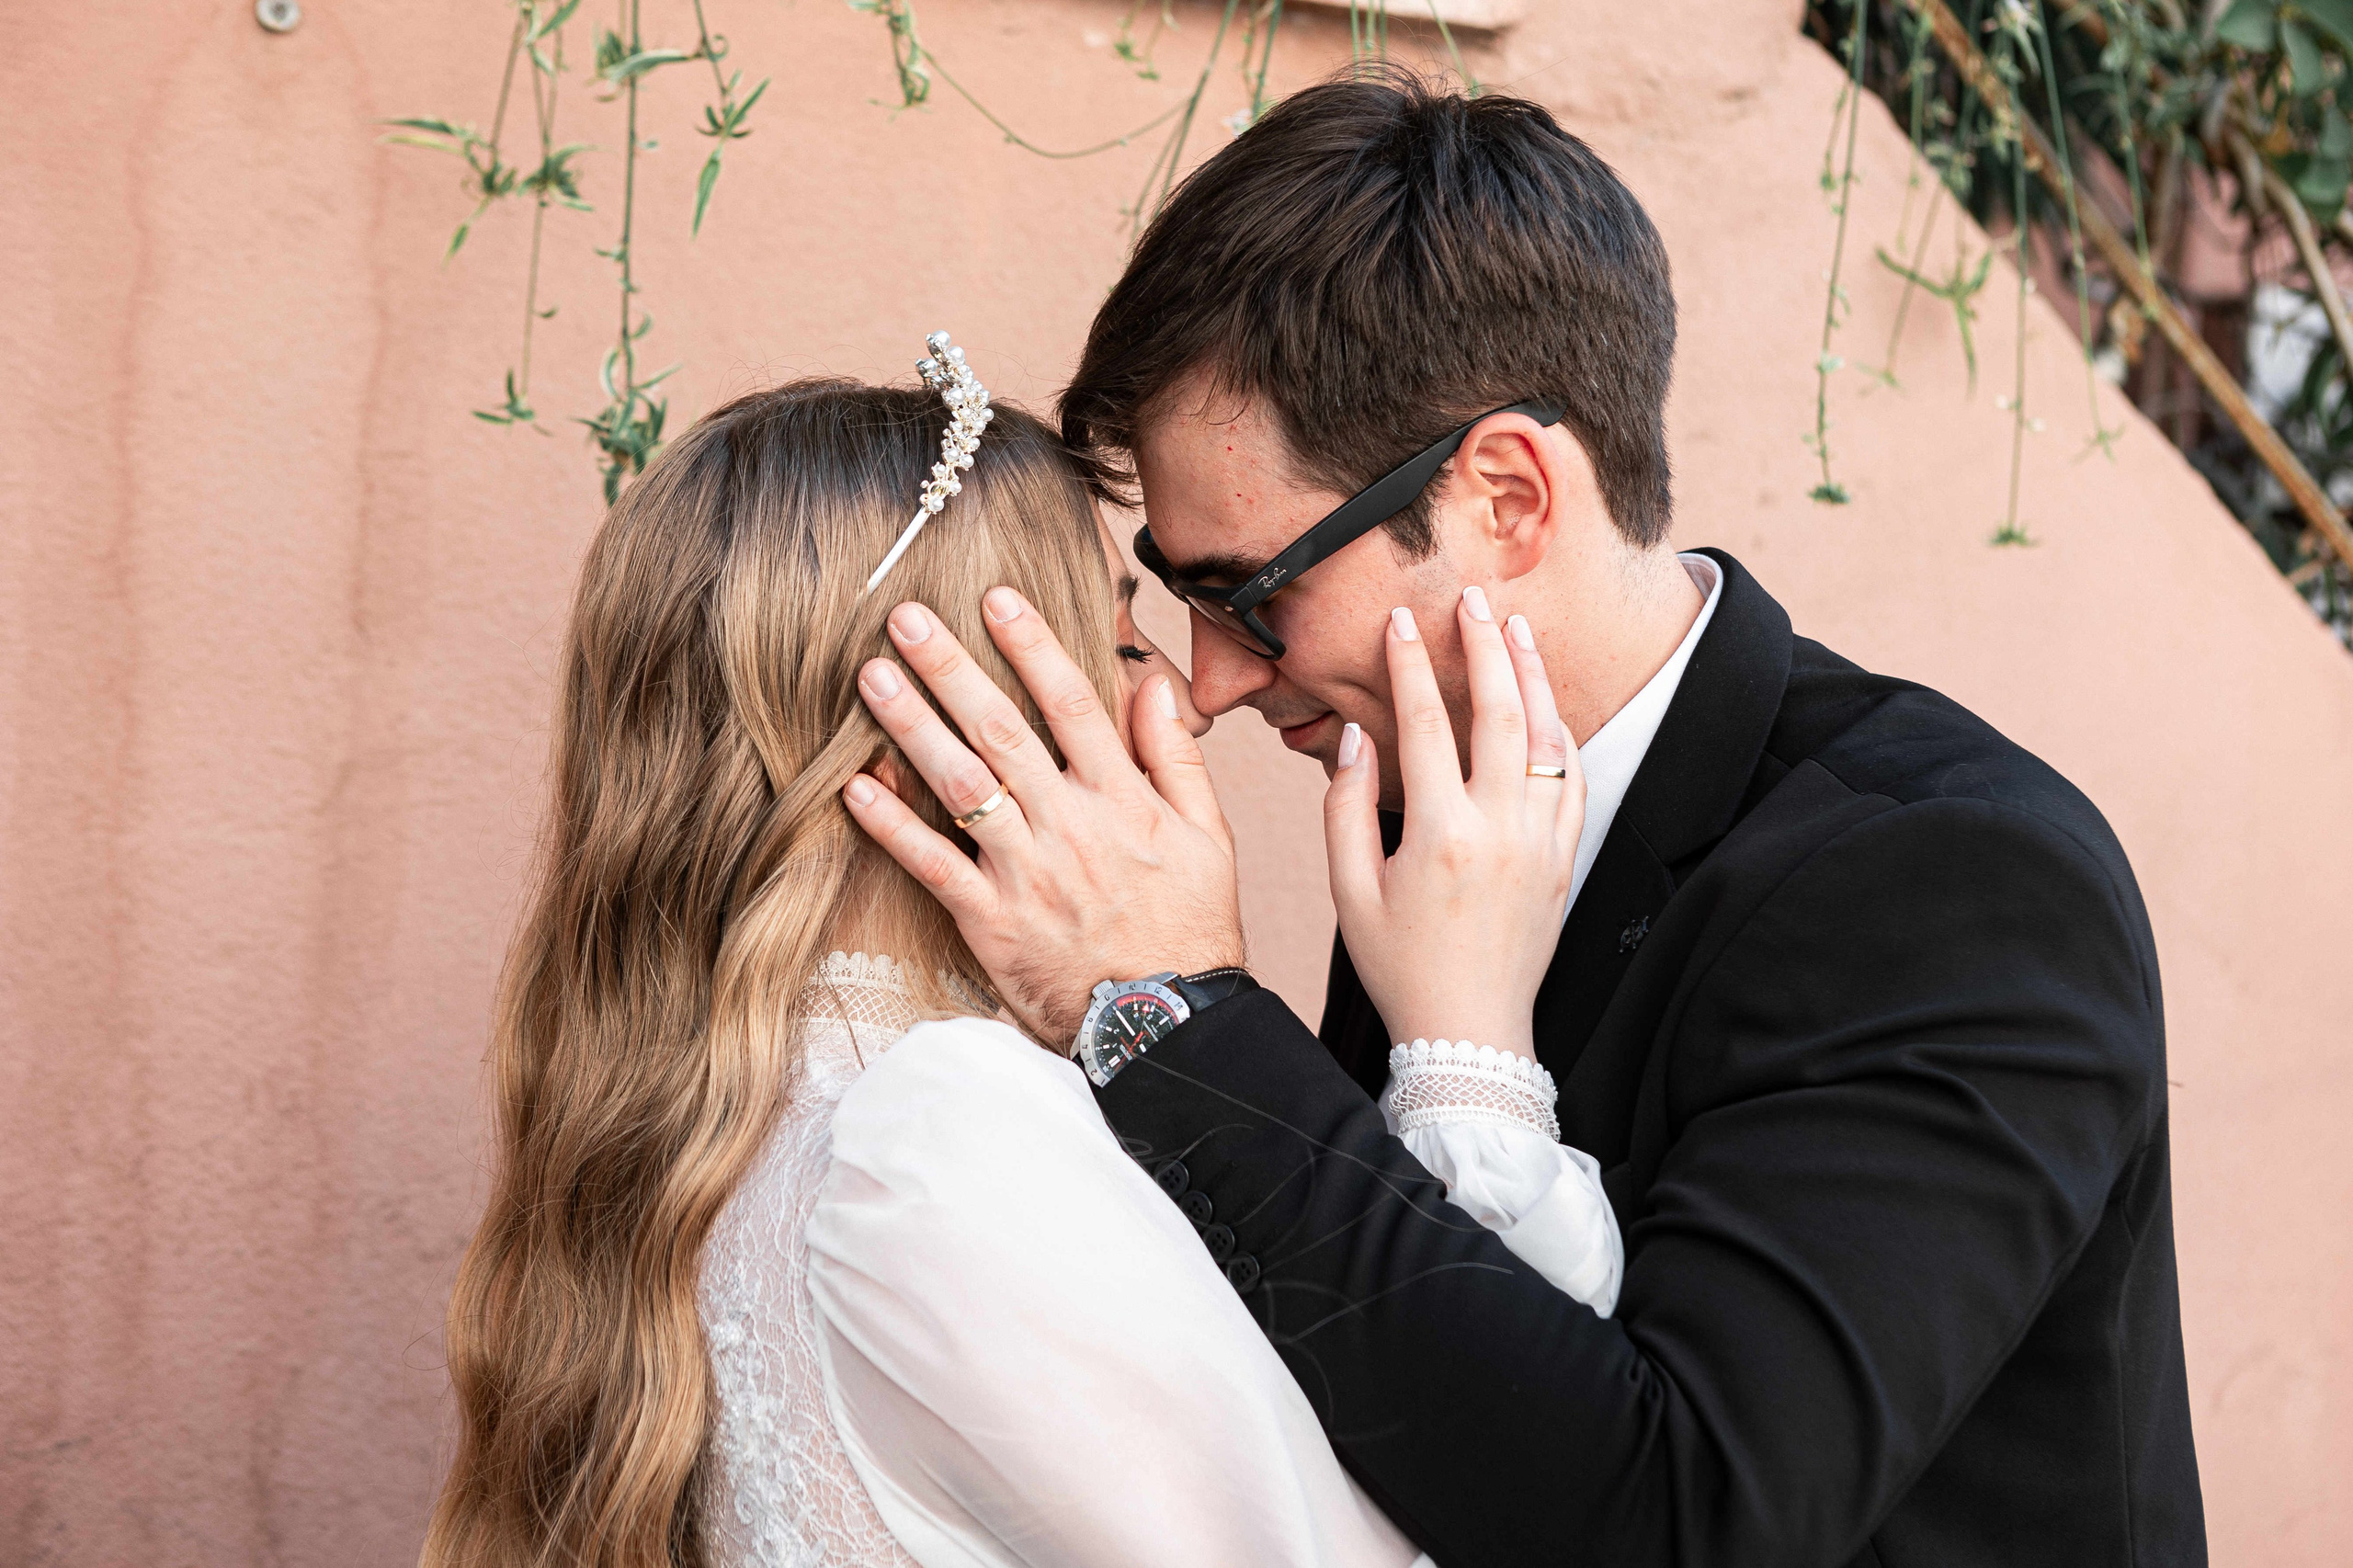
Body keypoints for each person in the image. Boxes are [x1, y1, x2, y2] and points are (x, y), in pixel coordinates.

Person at [843, 71, 2206, 1568]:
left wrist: (1181, 1013)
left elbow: (1678, 1519)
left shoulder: (1953, 882)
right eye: (1178, 596)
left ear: (1505, 494)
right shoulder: (1435, 814)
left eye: (1252, 592)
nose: (1215, 678)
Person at [421, 361, 1620, 1568]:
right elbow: (1512, 1495)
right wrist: (1463, 1042)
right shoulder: (938, 1131)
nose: (1193, 696)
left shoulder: (754, 1118)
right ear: (919, 746)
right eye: (1118, 640)